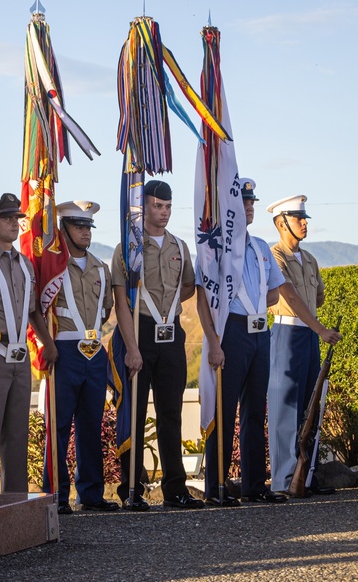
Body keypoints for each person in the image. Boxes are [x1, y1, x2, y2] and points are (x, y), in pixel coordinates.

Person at [195, 179, 288, 506]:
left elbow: (275, 291)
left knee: (254, 412)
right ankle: (216, 487)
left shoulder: (261, 247)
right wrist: (214, 342)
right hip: (231, 332)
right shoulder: (215, 249)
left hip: (260, 332)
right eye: (244, 202)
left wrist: (256, 304)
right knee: (224, 410)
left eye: (251, 202)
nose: (249, 207)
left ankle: (254, 485)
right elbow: (202, 300)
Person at [112, 179, 202, 511]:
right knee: (133, 414)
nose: (163, 213)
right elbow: (120, 302)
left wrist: (169, 304)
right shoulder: (128, 247)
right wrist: (132, 348)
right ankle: (132, 489)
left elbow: (189, 286)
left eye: (167, 207)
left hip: (171, 333)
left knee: (171, 413)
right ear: (143, 206)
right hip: (139, 332)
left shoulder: (179, 246)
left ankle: (175, 489)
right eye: (156, 206)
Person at [0, 193, 58, 493]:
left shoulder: (25, 265)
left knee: (17, 435)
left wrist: (47, 342)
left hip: (20, 356)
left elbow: (33, 311)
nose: (14, 223)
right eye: (6, 218)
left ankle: (15, 502)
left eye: (16, 218)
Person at [43, 200, 119, 513]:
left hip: (93, 349)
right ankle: (56, 496)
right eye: (79, 226)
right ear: (64, 229)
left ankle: (90, 493)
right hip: (63, 349)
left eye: (88, 227)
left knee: (91, 423)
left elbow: (106, 308)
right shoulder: (54, 268)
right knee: (58, 426)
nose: (86, 232)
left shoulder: (101, 268)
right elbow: (40, 308)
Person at [265, 194, 342, 495]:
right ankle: (285, 479)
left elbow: (318, 295)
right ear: (282, 223)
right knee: (286, 408)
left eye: (304, 217)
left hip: (310, 335)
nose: (305, 222)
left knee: (310, 406)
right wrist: (320, 328)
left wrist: (316, 328)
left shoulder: (309, 259)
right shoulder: (275, 256)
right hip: (288, 333)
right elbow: (291, 298)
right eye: (299, 218)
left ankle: (306, 475)